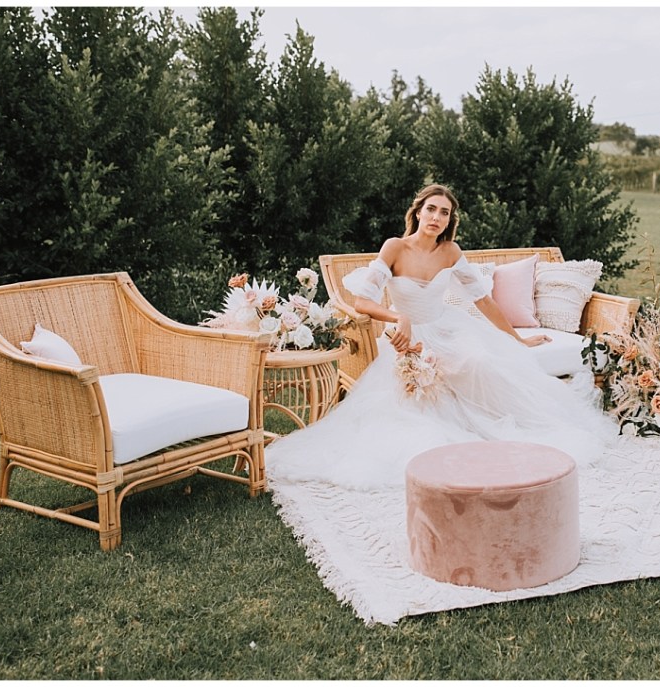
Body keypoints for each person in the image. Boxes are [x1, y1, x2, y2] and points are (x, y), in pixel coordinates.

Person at [265, 183, 618, 490]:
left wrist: (518, 340)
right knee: (416, 398)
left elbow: (483, 300)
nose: (436, 217)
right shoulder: (394, 248)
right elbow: (362, 301)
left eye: (444, 213)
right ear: (418, 212)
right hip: (408, 336)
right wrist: (399, 317)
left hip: (448, 328)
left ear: (450, 220)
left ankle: (494, 428)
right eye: (431, 209)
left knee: (478, 361)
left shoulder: (450, 252)